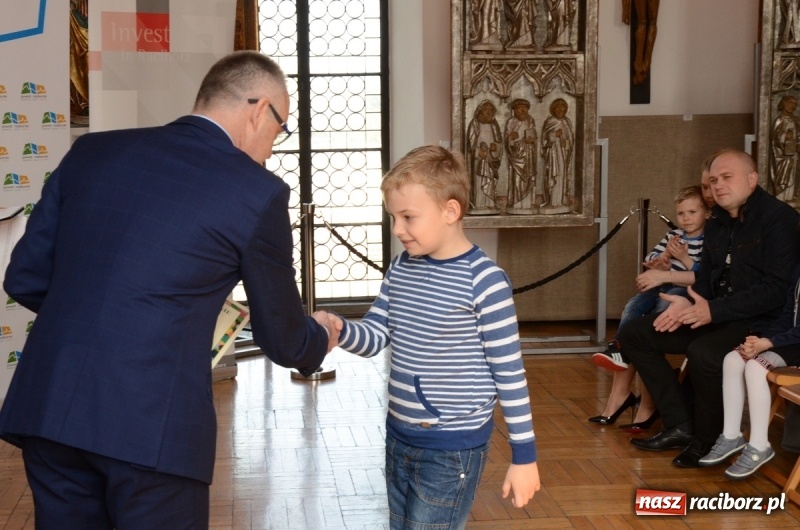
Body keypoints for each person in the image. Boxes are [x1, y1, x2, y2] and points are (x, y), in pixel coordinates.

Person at [0, 51, 340, 529]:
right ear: (261, 109)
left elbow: (25, 278)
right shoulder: (256, 191)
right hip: (150, 427)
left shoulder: (92, 151)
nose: (270, 149)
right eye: (278, 131)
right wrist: (323, 335)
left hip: (51, 408)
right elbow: (283, 339)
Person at [315, 145, 540, 529]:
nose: (397, 229)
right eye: (393, 217)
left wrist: (524, 457)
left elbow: (510, 375)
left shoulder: (484, 282)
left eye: (408, 217)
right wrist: (338, 329)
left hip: (451, 449)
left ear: (450, 211)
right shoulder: (402, 267)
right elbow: (374, 335)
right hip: (398, 436)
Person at [593, 148, 800, 469]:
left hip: (760, 322)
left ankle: (708, 439)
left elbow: (775, 291)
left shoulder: (780, 219)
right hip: (715, 311)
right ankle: (680, 425)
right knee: (636, 333)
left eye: (727, 178)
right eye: (713, 180)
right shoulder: (717, 220)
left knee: (704, 352)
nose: (717, 186)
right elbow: (707, 276)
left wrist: (711, 312)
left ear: (752, 179)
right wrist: (687, 302)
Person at [590, 185, 710, 431]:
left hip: (683, 291)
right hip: (662, 283)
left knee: (664, 304)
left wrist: (684, 259)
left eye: (692, 212)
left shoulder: (709, 239)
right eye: (681, 214)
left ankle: (639, 395)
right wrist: (660, 260)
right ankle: (620, 347)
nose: (686, 219)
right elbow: (653, 258)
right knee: (634, 304)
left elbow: (704, 273)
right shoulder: (674, 236)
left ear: (707, 213)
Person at [698, 264, 800, 478]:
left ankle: (760, 446)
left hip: (795, 345)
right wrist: (760, 341)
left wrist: (770, 342)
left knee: (755, 367)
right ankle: (731, 435)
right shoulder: (797, 268)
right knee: (733, 359)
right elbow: (787, 315)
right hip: (791, 341)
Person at [467, 100, 503, 213]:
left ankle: (490, 203)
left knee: (490, 181)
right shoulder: (474, 124)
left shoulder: (494, 125)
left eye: (491, 112)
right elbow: (470, 146)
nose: (489, 114)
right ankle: (479, 204)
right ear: (480, 112)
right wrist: (478, 152)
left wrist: (495, 147)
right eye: (487, 111)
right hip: (479, 161)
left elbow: (499, 143)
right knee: (480, 181)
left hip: (490, 160)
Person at [540, 98, 574, 214]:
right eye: (557, 107)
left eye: (562, 107)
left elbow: (570, 139)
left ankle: (561, 200)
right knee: (555, 174)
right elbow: (544, 141)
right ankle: (553, 202)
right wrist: (554, 135)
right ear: (553, 109)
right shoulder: (550, 121)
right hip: (553, 153)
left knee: (562, 175)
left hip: (563, 153)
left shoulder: (567, 122)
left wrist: (566, 142)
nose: (560, 109)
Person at [504, 98, 537, 213]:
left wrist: (532, 140)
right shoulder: (511, 122)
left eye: (525, 108)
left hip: (528, 154)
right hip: (517, 155)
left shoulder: (530, 120)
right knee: (517, 178)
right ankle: (517, 203)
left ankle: (527, 203)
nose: (522, 111)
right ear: (514, 110)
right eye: (519, 108)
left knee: (528, 177)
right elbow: (507, 140)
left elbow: (534, 135)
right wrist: (511, 139)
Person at [770, 94, 799, 202]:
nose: (793, 106)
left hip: (794, 153)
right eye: (790, 103)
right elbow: (774, 139)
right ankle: (781, 197)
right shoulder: (779, 120)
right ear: (783, 103)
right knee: (784, 176)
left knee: (794, 175)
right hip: (782, 155)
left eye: (795, 104)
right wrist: (784, 137)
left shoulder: (796, 120)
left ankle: (791, 197)